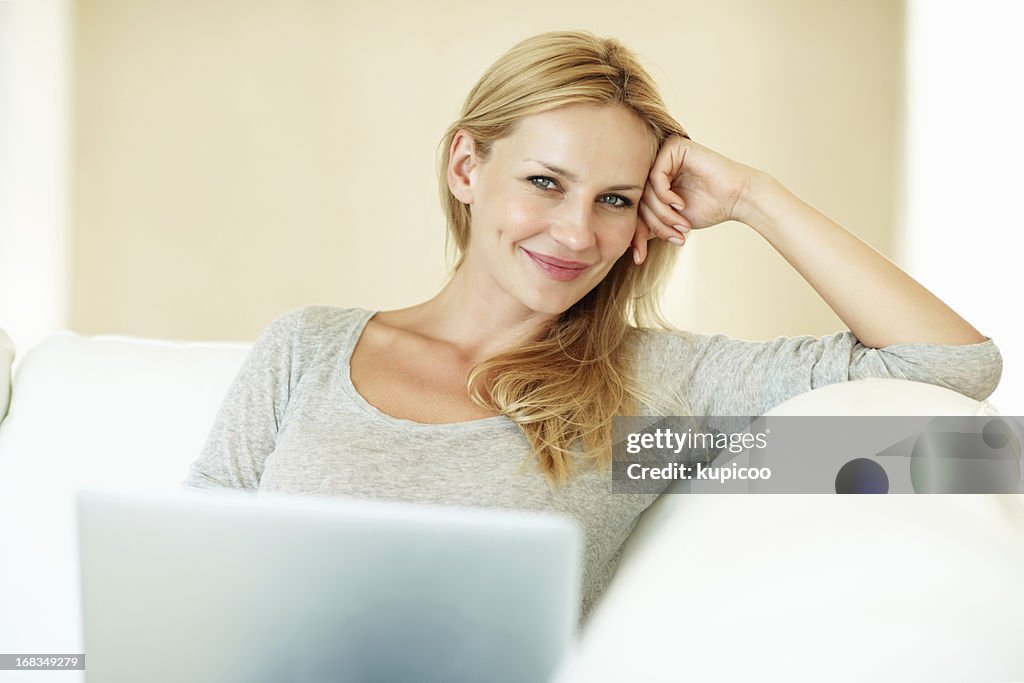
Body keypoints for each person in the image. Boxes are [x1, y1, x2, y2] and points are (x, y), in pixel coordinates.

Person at [184, 30, 1002, 622]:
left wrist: (755, 197)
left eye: (614, 198)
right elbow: (188, 567)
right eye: (546, 181)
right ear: (467, 167)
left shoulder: (651, 392)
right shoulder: (309, 347)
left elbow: (955, 375)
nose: (578, 234)